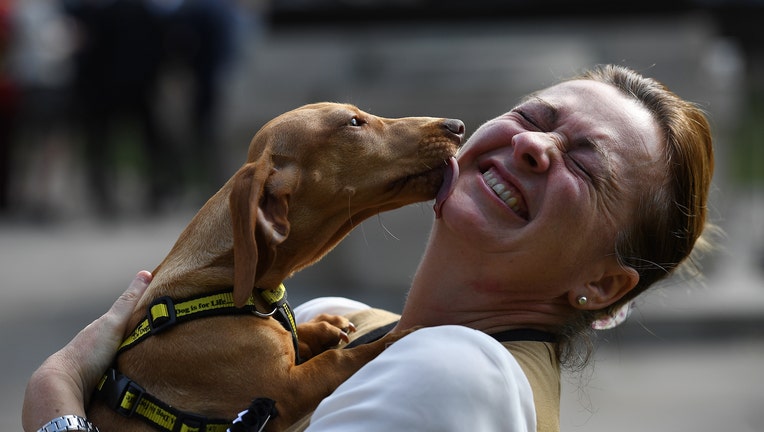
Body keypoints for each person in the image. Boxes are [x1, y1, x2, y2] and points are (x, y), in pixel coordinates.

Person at [23, 64, 714, 432]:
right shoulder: (339, 328)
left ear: (602, 287)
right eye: (533, 117)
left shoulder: (454, 376)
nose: (535, 144)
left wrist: (55, 412)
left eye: (587, 166)